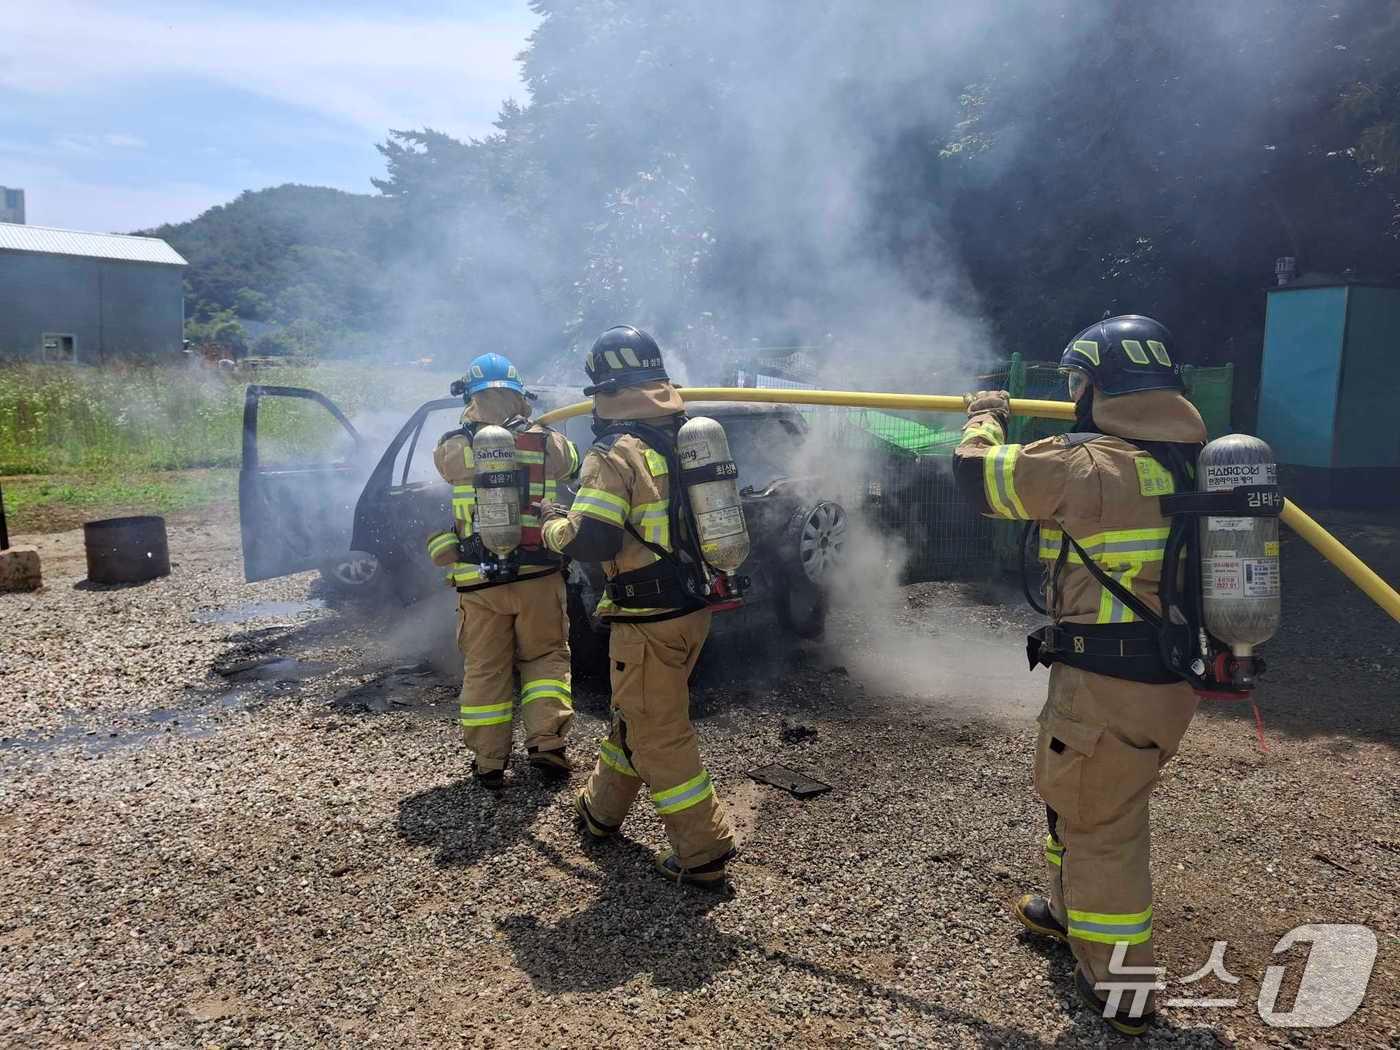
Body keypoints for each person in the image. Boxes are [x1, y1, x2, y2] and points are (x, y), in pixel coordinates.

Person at [953, 315, 1207, 1037]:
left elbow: (974, 477)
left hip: (1108, 683)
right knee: (1083, 800)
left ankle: (1124, 990)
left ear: (1099, 386)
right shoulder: (1182, 463)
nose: (1073, 397)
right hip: (1161, 678)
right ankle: (1068, 915)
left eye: (1076, 384)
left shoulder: (1092, 467)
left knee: (1103, 825)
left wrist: (983, 415)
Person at [539, 325, 737, 887]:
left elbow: (595, 539)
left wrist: (554, 527)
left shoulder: (615, 453)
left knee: (659, 733)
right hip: (691, 608)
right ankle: (600, 812)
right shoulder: (682, 435)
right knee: (637, 714)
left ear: (603, 388)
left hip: (647, 619)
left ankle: (703, 851)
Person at [425, 352, 581, 789]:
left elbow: (444, 469)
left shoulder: (454, 445)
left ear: (472, 396)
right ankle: (547, 745)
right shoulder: (547, 440)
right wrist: (535, 426)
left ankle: (490, 762)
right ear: (518, 393)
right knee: (546, 658)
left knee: (486, 669)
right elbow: (574, 464)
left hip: (480, 580)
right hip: (538, 576)